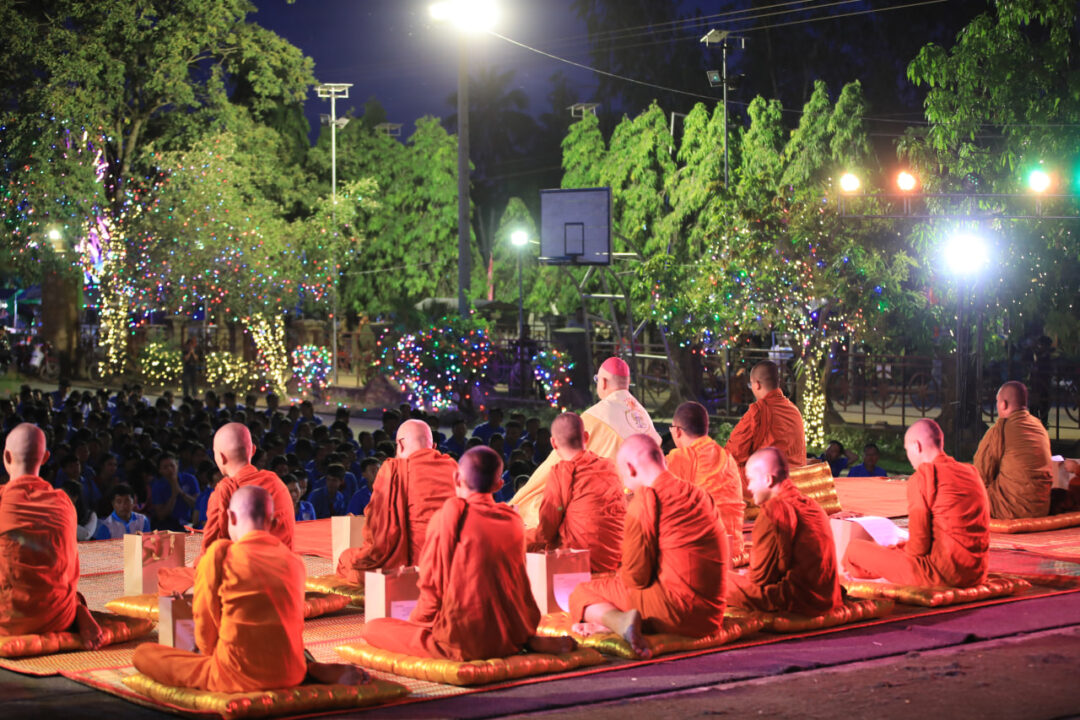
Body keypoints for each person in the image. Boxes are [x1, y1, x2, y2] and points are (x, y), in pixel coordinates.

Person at [133, 486, 365, 692]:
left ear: (231, 517)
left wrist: (211, 654)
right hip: (291, 672)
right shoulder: (294, 562)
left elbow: (204, 628)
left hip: (236, 675)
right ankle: (311, 669)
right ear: (271, 521)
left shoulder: (220, 555)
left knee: (144, 654)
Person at [360, 447, 571, 660]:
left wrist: (417, 625)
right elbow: (520, 586)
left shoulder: (446, 518)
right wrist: (525, 633)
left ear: (456, 478)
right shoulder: (513, 522)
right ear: (499, 484)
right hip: (509, 638)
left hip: (459, 643)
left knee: (373, 628)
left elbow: (431, 587)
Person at [569, 434, 728, 658]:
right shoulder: (700, 494)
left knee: (581, 592)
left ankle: (618, 621)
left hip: (675, 615)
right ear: (662, 459)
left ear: (630, 468)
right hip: (711, 614)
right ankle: (617, 621)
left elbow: (636, 578)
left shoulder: (645, 500)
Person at [511, 357, 661, 527]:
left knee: (536, 505)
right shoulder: (643, 415)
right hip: (642, 504)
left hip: (602, 507)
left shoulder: (596, 416)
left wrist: (522, 497)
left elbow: (555, 463)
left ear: (603, 382)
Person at [844, 419, 990, 588]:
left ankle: (868, 572)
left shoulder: (924, 476)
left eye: (907, 450)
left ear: (916, 446)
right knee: (895, 549)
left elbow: (918, 548)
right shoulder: (971, 472)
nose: (909, 457)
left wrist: (898, 553)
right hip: (976, 573)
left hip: (939, 575)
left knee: (854, 549)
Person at [0, 424, 104, 647]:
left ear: (6, 456)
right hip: (58, 618)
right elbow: (70, 566)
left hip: (7, 621)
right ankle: (77, 608)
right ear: (46, 457)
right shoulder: (63, 502)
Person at [335, 420, 457, 582]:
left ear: (400, 444)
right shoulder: (454, 468)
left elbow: (377, 532)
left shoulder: (393, 470)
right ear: (433, 446)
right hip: (453, 564)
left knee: (346, 558)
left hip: (413, 566)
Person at [726, 448, 843, 615]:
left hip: (795, 600)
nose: (749, 488)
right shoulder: (812, 504)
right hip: (829, 596)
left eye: (751, 480)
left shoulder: (773, 510)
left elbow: (759, 579)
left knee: (717, 579)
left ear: (768, 479)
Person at [525, 413, 626, 573]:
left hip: (581, 562)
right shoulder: (610, 467)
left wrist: (520, 536)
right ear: (586, 437)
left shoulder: (560, 473)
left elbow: (546, 532)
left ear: (553, 443)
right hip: (615, 559)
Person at [666, 401, 746, 556]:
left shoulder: (681, 457)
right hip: (734, 548)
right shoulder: (727, 457)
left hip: (703, 552)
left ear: (677, 431)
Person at [201, 423, 295, 552]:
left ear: (221, 457)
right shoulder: (277, 483)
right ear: (253, 450)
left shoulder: (224, 491)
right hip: (284, 561)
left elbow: (211, 551)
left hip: (246, 563)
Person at [973, 381, 1054, 519]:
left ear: (1003, 404)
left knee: (964, 495)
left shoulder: (1000, 429)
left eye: (997, 402)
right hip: (1041, 507)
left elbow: (981, 474)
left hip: (1008, 508)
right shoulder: (1039, 426)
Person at [725, 360, 807, 490]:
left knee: (724, 469)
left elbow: (734, 452)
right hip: (797, 480)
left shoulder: (758, 411)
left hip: (770, 483)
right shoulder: (793, 409)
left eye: (750, 384)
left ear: (757, 385)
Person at [181, 335, 199, 400]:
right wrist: (189, 353)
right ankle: (186, 395)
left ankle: (195, 395)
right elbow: (185, 359)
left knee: (194, 382)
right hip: (187, 367)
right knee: (186, 382)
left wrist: (193, 353)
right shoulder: (185, 351)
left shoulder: (195, 351)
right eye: (189, 345)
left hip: (193, 367)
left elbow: (196, 359)